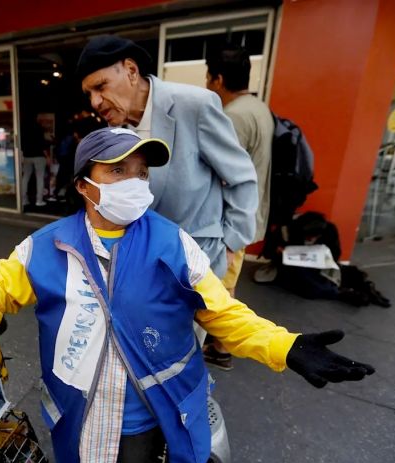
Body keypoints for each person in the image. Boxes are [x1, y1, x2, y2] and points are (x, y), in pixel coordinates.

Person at [0, 127, 375, 463]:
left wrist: (286, 347)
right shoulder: (46, 245)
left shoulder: (173, 243)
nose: (135, 181)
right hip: (78, 418)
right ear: (84, 185)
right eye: (119, 169)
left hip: (149, 422)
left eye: (141, 172)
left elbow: (223, 313)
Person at [76, 35, 258, 282]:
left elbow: (242, 177)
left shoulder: (194, 105)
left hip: (202, 259)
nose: (94, 101)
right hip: (149, 264)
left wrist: (231, 245)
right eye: (89, 94)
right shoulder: (118, 131)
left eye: (101, 86)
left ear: (131, 70)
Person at [203, 44, 276, 369]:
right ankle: (219, 346)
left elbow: (225, 177)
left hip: (230, 223)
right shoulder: (258, 107)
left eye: (208, 76)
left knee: (220, 286)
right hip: (247, 217)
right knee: (225, 284)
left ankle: (220, 348)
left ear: (217, 78)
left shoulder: (233, 117)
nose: (206, 83)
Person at [21, 117, 51, 207]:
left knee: (25, 177)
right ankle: (39, 201)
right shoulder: (39, 129)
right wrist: (48, 156)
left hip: (27, 156)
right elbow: (42, 144)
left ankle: (23, 200)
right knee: (40, 178)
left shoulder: (23, 129)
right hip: (39, 156)